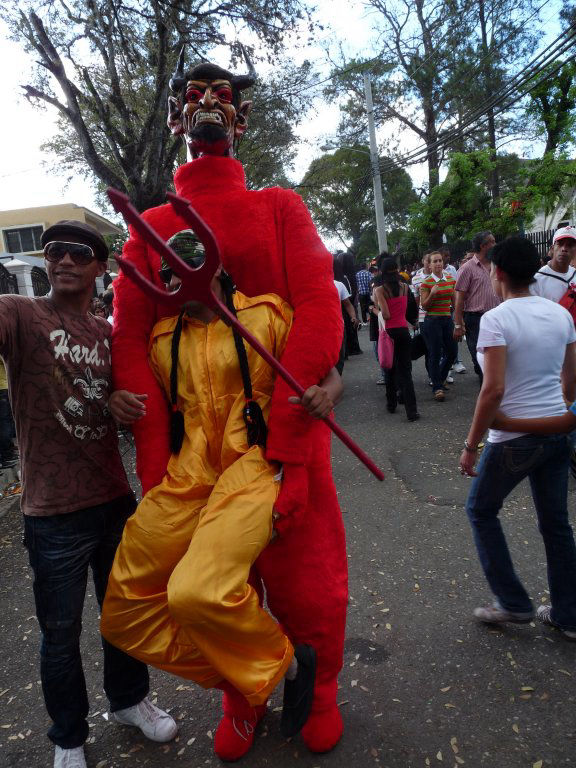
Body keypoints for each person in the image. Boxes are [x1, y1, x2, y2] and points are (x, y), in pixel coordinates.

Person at [109, 56, 348, 759]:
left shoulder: (279, 206)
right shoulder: (148, 224)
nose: (207, 105)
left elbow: (317, 313)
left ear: (241, 120)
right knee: (182, 594)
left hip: (275, 434)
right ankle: (250, 685)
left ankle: (322, 687)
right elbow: (129, 340)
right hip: (192, 454)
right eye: (194, 97)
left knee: (308, 582)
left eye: (221, 97)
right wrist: (155, 465)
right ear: (181, 120)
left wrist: (294, 446)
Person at [0, 221, 176, 768]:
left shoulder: (109, 334)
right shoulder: (19, 314)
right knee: (60, 633)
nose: (66, 260)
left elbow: (129, 403)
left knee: (122, 616)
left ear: (101, 267)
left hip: (112, 501)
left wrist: (124, 406)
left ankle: (128, 702)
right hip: (52, 510)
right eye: (55, 252)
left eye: (81, 252)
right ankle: (68, 738)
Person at [459, 236, 576, 641]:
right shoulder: (561, 315)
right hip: (555, 434)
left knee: (481, 510)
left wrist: (470, 445)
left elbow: (492, 390)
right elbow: (570, 382)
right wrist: (558, 416)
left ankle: (513, 602)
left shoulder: (497, 318)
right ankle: (569, 614)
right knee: (556, 525)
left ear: (499, 272)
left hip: (512, 439)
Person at [374, 257, 419, 421]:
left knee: (390, 370)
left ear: (382, 271)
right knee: (406, 373)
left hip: (390, 333)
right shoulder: (406, 287)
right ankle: (412, 411)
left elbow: (386, 314)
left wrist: (375, 310)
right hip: (403, 332)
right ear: (397, 269)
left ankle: (391, 404)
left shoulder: (380, 290)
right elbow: (406, 311)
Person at [453, 231, 499, 383]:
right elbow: (459, 299)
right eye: (492, 241)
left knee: (498, 361)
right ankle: (486, 395)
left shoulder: (497, 264)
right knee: (481, 362)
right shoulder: (467, 268)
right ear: (483, 246)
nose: (495, 244)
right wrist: (458, 324)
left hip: (498, 318)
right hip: (476, 320)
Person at [420, 252, 458, 401]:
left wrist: (459, 321)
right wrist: (433, 294)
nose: (438, 263)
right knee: (435, 354)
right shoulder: (427, 283)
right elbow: (425, 306)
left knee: (452, 352)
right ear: (429, 264)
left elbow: (454, 301)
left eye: (440, 260)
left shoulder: (449, 279)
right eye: (435, 261)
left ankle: (440, 378)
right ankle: (437, 387)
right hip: (432, 321)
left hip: (447, 319)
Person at [530, 226, 576, 303]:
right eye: (560, 244)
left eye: (570, 245)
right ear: (552, 248)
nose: (564, 249)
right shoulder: (538, 280)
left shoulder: (574, 273)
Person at [0, 358, 18, 469]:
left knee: (5, 422)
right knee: (4, 423)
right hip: (3, 387)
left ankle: (8, 449)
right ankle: (6, 455)